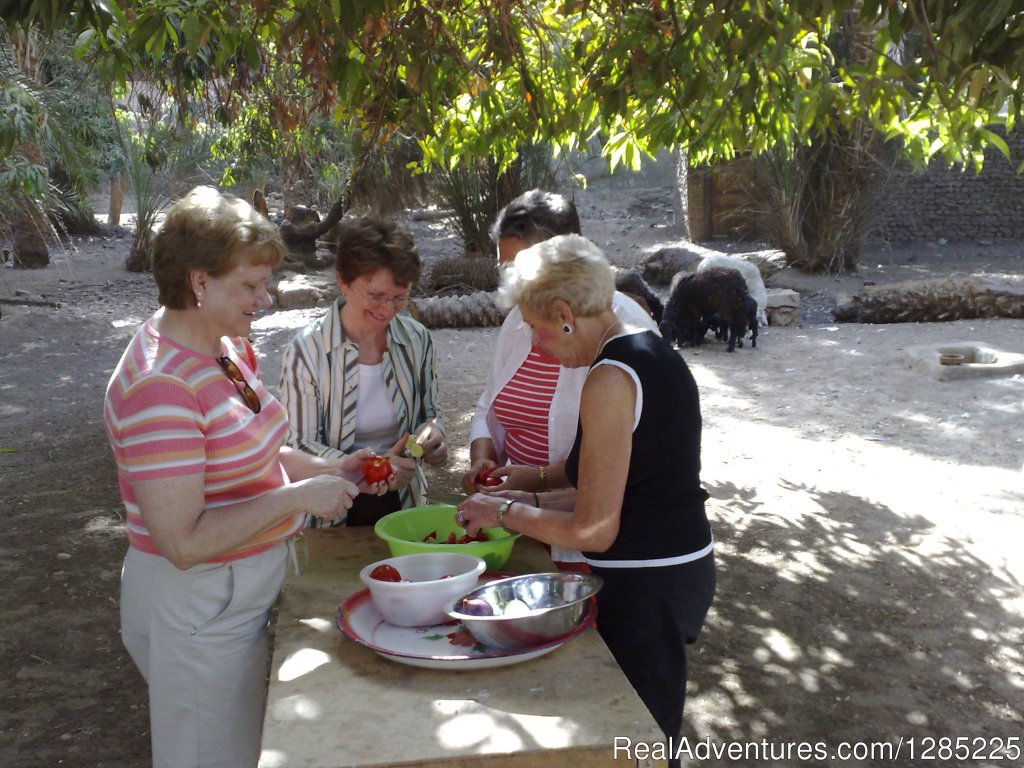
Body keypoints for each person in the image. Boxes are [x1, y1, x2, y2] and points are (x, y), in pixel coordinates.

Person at [104, 186, 378, 767]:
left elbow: (256, 455)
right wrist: (299, 498)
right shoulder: (162, 389)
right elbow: (184, 541)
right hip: (199, 609)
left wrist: (331, 469)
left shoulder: (224, 346)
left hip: (234, 600)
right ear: (198, 282)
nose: (267, 299)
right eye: (250, 286)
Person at [455, 234, 715, 760]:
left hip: (649, 582)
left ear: (565, 314)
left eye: (535, 327)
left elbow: (595, 528)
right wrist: (521, 481)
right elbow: (599, 475)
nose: (533, 343)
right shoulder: (644, 349)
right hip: (674, 568)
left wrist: (505, 512)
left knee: (637, 735)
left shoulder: (609, 379)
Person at [461, 189, 657, 569]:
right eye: (506, 269)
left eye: (520, 267)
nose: (512, 281)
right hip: (527, 520)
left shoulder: (622, 337)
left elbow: (611, 499)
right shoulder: (518, 320)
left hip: (592, 542)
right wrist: (484, 461)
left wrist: (529, 490)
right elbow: (491, 403)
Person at [280, 215, 447, 526]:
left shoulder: (416, 339)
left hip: (405, 505)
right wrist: (366, 468)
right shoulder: (307, 351)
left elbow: (429, 414)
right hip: (330, 513)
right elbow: (299, 444)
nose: (387, 310)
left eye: (400, 297)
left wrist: (432, 441)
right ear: (343, 280)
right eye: (375, 296)